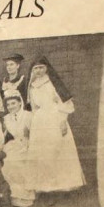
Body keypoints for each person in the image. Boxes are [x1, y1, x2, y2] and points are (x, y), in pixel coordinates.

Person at [26, 57, 86, 195]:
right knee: (42, 154)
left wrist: (63, 121)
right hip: (40, 121)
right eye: (36, 68)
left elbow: (65, 103)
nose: (39, 71)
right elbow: (34, 107)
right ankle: (44, 186)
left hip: (55, 117)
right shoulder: (32, 86)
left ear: (46, 68)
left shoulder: (53, 83)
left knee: (56, 151)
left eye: (41, 67)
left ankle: (61, 186)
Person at [2, 91, 35, 207]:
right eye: (8, 105)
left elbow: (34, 134)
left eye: (13, 103)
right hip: (14, 144)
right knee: (7, 161)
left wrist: (28, 143)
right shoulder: (6, 118)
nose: (11, 107)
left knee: (18, 162)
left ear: (20, 103)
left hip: (28, 144)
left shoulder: (28, 115)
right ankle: (14, 194)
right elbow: (3, 136)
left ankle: (25, 195)